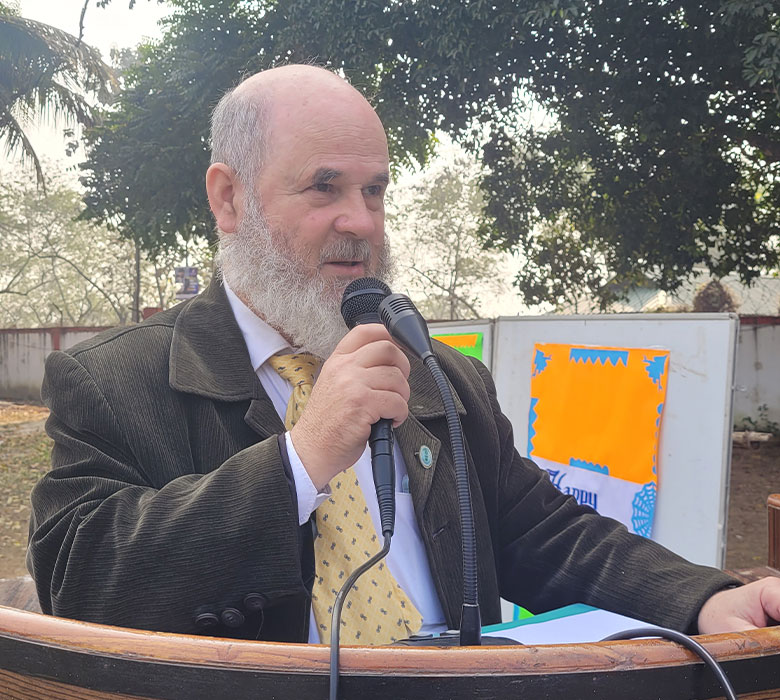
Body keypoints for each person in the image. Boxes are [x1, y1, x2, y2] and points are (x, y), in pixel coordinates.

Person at [27, 65, 780, 644]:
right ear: (230, 198)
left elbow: (543, 533)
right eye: (324, 187)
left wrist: (704, 599)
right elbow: (81, 583)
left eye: (375, 190)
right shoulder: (114, 380)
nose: (360, 221)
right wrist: (303, 458)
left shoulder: (439, 375)